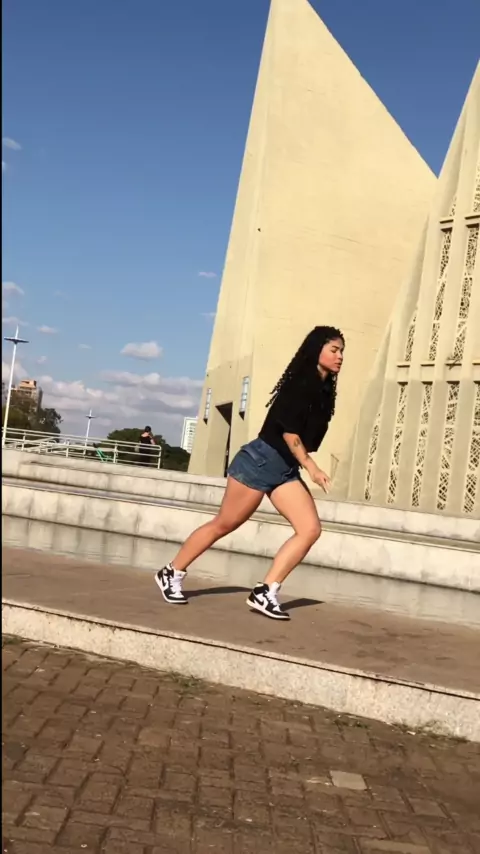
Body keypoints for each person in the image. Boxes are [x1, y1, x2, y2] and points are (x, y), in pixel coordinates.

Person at [155, 326, 345, 621]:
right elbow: (289, 432)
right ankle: (171, 572)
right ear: (316, 349)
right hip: (260, 461)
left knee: (310, 529)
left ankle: (265, 591)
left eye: (342, 351)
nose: (340, 356)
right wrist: (312, 467)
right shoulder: (300, 383)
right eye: (334, 350)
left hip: (283, 469)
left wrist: (303, 464)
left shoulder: (323, 391)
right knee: (225, 524)